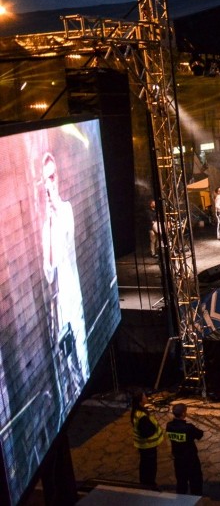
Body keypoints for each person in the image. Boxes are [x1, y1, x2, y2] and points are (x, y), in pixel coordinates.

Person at [41, 152, 88, 410]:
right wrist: (47, 226)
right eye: (45, 179)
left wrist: (55, 214)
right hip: (58, 309)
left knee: (81, 357)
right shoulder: (46, 224)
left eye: (52, 176)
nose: (50, 183)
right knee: (67, 367)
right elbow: (48, 273)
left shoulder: (66, 208)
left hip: (72, 296)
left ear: (57, 178)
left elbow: (69, 241)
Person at [165, 403, 204, 495]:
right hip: (190, 458)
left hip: (178, 458)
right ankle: (195, 497)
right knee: (195, 479)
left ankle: (181, 498)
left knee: (181, 480)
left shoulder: (169, 425)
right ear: (183, 414)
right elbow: (200, 434)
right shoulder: (188, 427)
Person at [130, 390, 164, 488]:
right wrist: (153, 427)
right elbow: (147, 432)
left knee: (144, 465)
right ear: (141, 401)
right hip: (148, 446)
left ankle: (145, 483)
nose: (147, 397)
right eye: (144, 397)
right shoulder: (142, 417)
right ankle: (150, 485)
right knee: (150, 467)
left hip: (143, 446)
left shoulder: (136, 412)